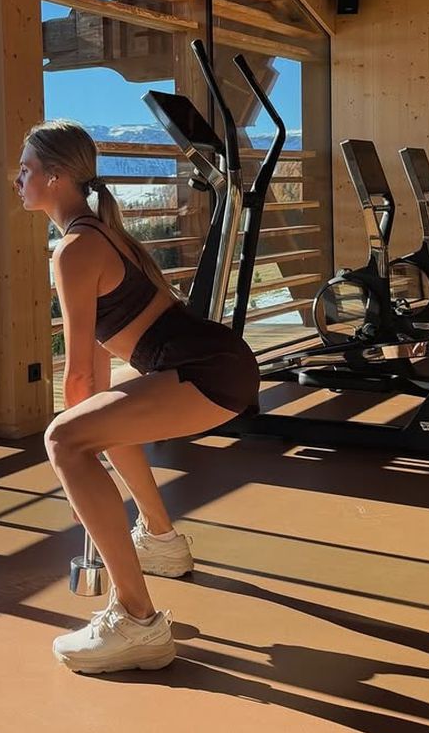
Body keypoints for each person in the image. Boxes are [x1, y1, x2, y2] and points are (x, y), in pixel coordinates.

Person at [16, 119, 260, 675]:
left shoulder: (76, 248)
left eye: (26, 170)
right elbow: (95, 383)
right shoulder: (99, 232)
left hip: (206, 370)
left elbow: (79, 374)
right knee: (101, 421)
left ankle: (137, 621)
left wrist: (74, 455)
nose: (18, 181)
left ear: (55, 177)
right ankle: (159, 539)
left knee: (64, 440)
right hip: (220, 363)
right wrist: (87, 434)